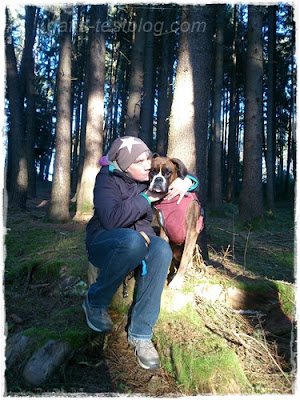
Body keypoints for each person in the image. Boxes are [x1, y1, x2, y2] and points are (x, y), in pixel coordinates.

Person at [83, 136, 198, 370]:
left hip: (139, 239)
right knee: (133, 242)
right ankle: (95, 303)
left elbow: (175, 174)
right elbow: (112, 219)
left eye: (148, 158)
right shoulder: (106, 179)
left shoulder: (146, 178)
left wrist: (189, 182)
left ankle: (141, 334)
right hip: (103, 243)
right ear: (125, 166)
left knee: (162, 249)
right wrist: (146, 198)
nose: (148, 165)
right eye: (140, 161)